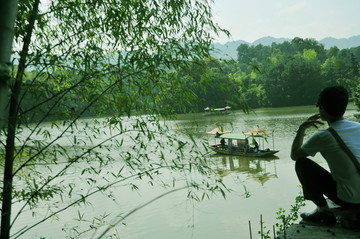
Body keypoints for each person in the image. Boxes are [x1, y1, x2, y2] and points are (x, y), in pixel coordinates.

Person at [291, 86, 360, 224]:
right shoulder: (358, 127)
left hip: (351, 201)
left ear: (322, 110)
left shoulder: (324, 136)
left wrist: (301, 130)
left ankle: (323, 211)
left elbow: (295, 155)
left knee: (302, 163)